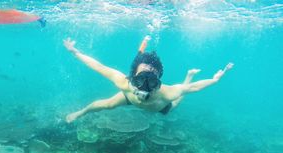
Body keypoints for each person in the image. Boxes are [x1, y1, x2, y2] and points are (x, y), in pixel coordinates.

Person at [64, 36, 233, 123]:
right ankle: (80, 113)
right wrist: (75, 52)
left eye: (151, 81)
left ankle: (188, 75)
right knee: (105, 104)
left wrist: (215, 79)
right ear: (133, 76)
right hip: (128, 98)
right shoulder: (124, 82)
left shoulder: (166, 93)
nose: (144, 87)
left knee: (175, 104)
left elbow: (193, 88)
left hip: (159, 106)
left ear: (158, 80)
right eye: (140, 80)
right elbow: (97, 66)